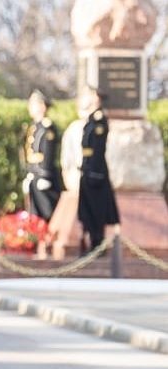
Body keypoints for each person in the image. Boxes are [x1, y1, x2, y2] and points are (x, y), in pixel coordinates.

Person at [77, 87, 119, 252]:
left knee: (97, 209)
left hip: (96, 172)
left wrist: (94, 171)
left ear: (96, 98)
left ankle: (97, 242)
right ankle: (91, 241)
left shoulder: (100, 119)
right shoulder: (91, 119)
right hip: (87, 170)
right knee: (87, 209)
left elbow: (98, 149)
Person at [23, 89, 62, 221]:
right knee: (35, 213)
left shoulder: (47, 127)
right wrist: (30, 173)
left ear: (42, 106)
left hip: (44, 177)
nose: (30, 107)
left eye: (33, 104)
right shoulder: (35, 127)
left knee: (47, 213)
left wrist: (45, 175)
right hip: (35, 175)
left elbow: (48, 153)